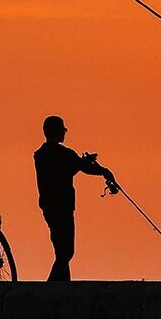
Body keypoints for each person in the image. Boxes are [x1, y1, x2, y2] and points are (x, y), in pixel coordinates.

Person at [33, 115, 118, 282]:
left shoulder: (40, 155)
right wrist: (104, 171)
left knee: (61, 251)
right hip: (63, 207)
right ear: (58, 131)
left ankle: (64, 286)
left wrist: (81, 163)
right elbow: (82, 168)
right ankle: (50, 287)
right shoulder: (64, 153)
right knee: (66, 252)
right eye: (63, 129)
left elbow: (67, 169)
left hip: (48, 207)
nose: (65, 132)